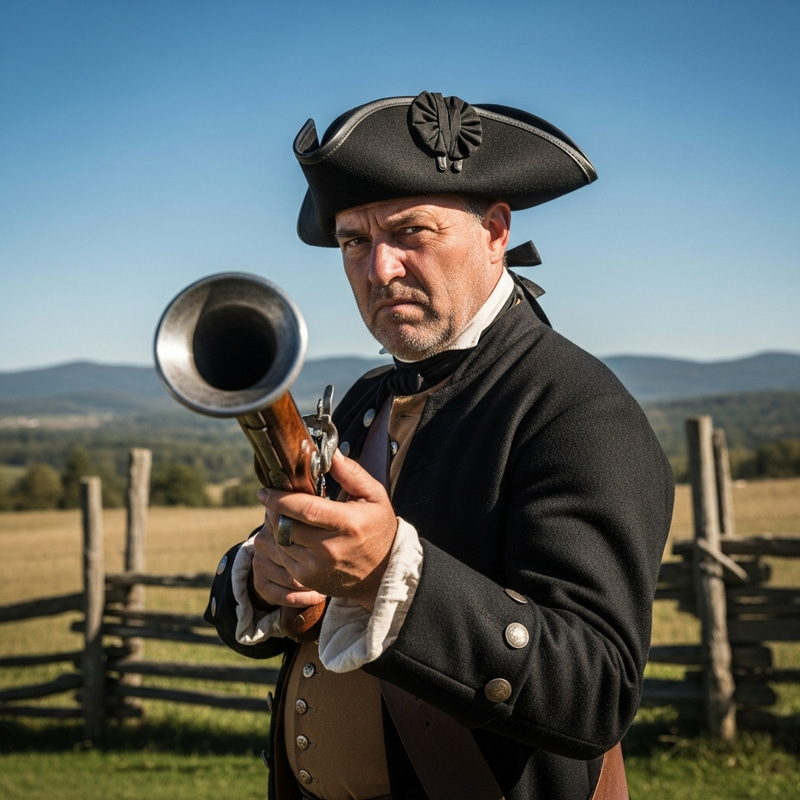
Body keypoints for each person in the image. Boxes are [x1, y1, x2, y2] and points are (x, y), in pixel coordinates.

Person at [204, 91, 674, 800]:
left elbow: (597, 689)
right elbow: (301, 575)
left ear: (494, 230)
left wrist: (389, 573)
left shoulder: (579, 409)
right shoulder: (367, 398)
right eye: (354, 241)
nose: (378, 269)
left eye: (411, 232)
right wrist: (271, 577)